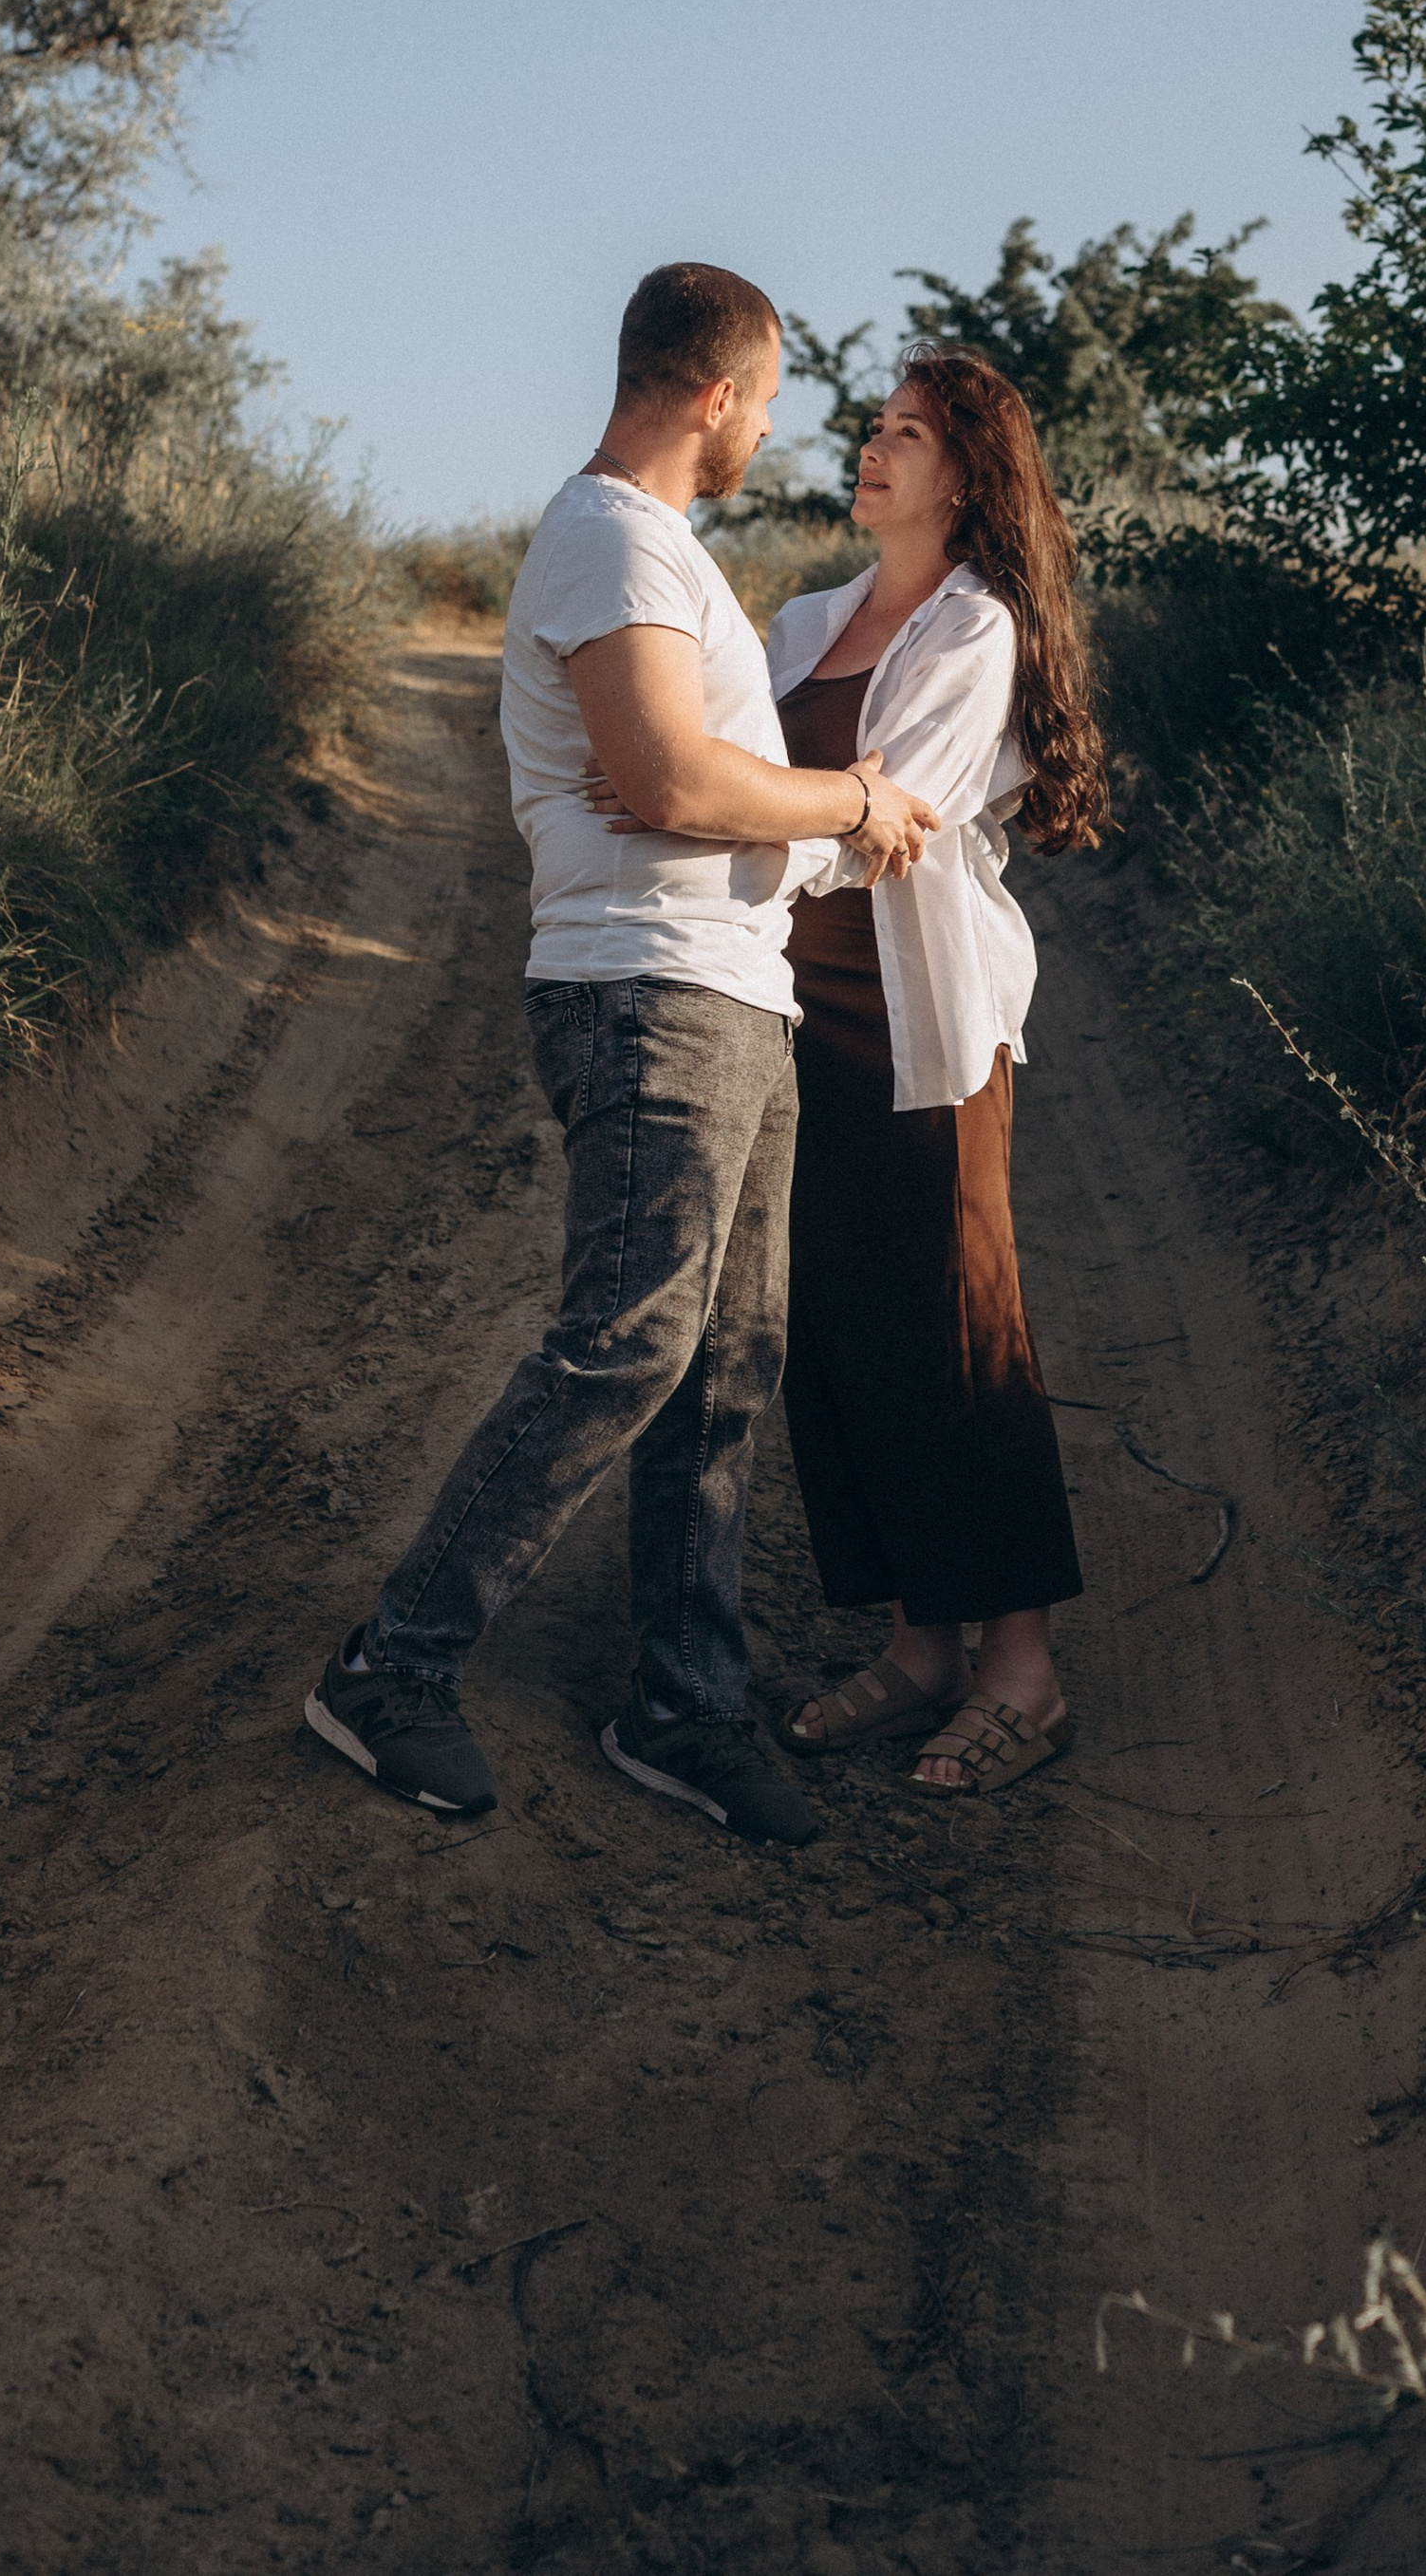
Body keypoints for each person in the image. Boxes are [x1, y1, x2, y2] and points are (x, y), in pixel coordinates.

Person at [302, 261, 937, 1844]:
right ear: (716, 393)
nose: (770, 431)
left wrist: (806, 830)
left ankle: (683, 1705)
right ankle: (390, 1667)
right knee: (631, 1343)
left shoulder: (664, 559)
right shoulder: (612, 541)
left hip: (731, 994)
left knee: (728, 1361)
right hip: (646, 995)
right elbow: (670, 784)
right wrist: (852, 798)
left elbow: (706, 798)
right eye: (767, 402)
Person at [766, 348, 1109, 1795]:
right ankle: (924, 1648)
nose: (874, 447)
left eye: (908, 434)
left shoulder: (977, 631)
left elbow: (879, 818)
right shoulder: (801, 623)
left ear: (967, 476)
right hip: (790, 1014)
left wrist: (706, 812)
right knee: (840, 1327)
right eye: (874, 427)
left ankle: (1023, 1672)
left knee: (962, 1331)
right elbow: (775, 788)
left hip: (919, 1027)